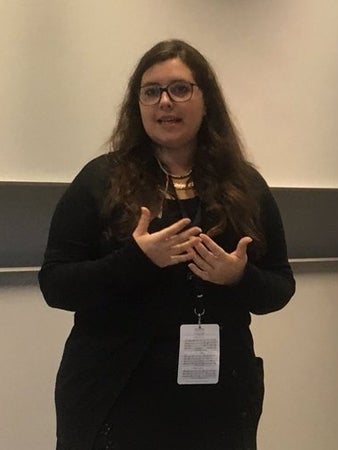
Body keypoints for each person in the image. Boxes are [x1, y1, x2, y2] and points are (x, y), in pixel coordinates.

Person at [38, 39, 295, 450]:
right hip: (115, 393)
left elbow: (280, 287)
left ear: (205, 99)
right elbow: (56, 285)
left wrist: (238, 277)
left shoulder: (245, 185)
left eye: (179, 89)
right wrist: (135, 261)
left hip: (217, 397)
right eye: (151, 91)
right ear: (137, 104)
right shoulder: (100, 180)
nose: (164, 103)